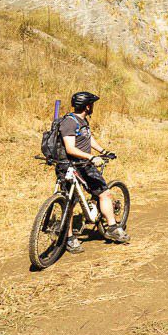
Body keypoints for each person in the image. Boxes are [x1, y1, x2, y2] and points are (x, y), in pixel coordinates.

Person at [58, 91, 129, 252]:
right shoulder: (69, 123)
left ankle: (111, 228)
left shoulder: (81, 121)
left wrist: (103, 151)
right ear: (88, 106)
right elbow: (70, 148)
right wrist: (91, 157)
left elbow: (88, 139)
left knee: (102, 194)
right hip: (73, 166)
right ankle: (69, 238)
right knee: (70, 203)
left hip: (83, 164)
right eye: (92, 105)